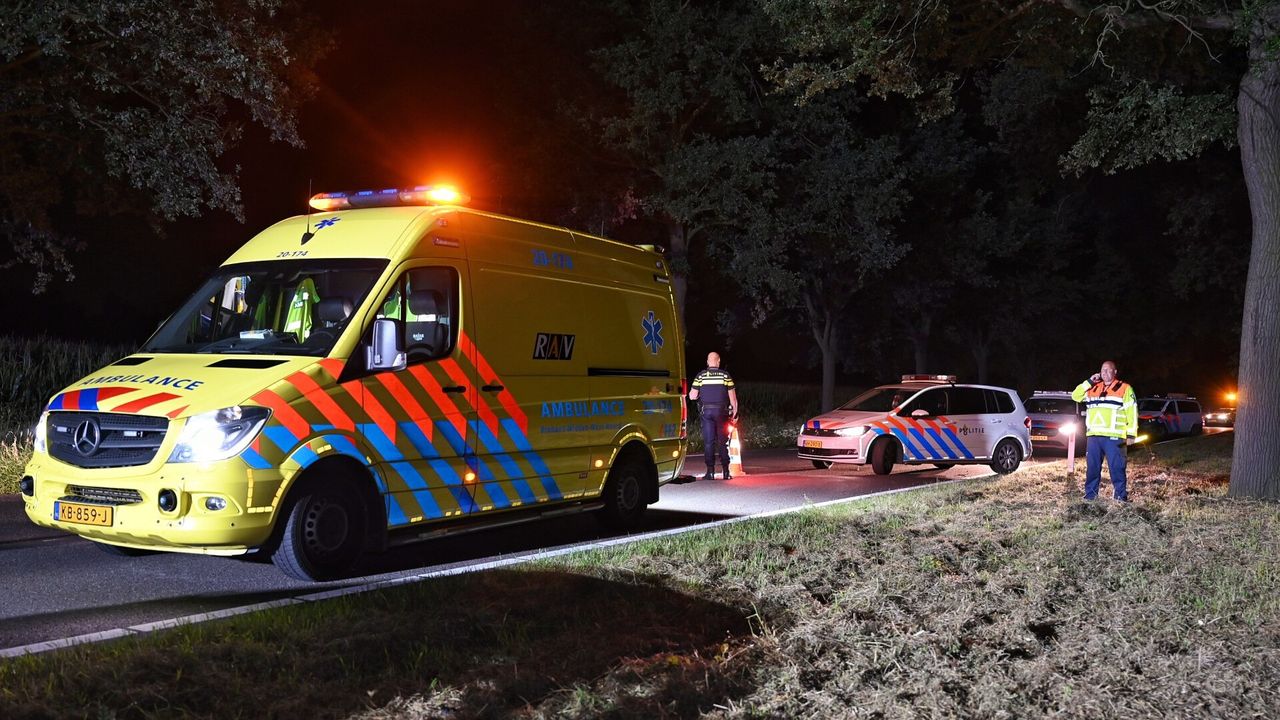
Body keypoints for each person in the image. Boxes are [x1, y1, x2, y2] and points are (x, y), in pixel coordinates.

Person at [1070, 360, 1137, 501]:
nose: (1104, 372)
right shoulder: (1093, 388)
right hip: (1094, 436)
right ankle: (1090, 496)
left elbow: (1132, 412)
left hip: (1115, 436)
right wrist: (1089, 382)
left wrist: (1131, 434)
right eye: (1102, 370)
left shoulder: (1124, 388)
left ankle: (1120, 497)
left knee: (1117, 468)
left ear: (1115, 372)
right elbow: (1075, 396)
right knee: (1092, 468)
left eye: (1108, 370)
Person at [689, 352, 739, 480]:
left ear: (707, 362)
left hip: (707, 412)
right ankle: (726, 472)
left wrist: (698, 394)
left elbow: (692, 396)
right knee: (723, 442)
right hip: (722, 412)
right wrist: (735, 413)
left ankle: (710, 472)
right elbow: (733, 398)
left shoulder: (701, 376)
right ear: (718, 362)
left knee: (709, 442)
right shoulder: (725, 375)